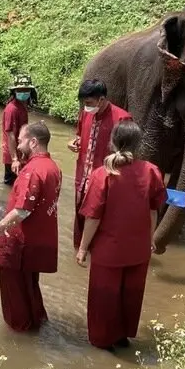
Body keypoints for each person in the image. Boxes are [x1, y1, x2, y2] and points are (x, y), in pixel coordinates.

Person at [75, 120, 167, 351]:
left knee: (104, 298)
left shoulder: (103, 174)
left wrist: (83, 248)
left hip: (109, 251)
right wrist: (151, 240)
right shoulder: (151, 171)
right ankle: (122, 337)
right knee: (130, 295)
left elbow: (93, 217)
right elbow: (153, 211)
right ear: (138, 144)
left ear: (113, 142)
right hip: (138, 250)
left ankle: (102, 342)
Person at [0, 120, 62, 332]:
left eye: (22, 140)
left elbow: (22, 211)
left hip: (20, 246)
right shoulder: (54, 168)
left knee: (14, 297)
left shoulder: (32, 171)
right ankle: (37, 329)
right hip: (38, 243)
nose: (19, 145)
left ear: (33, 142)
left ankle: (20, 338)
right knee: (30, 290)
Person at [68, 79, 132, 251]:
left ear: (102, 100)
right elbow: (80, 136)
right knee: (80, 215)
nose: (86, 107)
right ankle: (80, 251)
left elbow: (127, 155)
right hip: (82, 177)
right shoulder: (85, 113)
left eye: (89, 103)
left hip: (106, 181)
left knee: (101, 219)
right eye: (84, 103)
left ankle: (97, 252)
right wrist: (74, 143)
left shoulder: (122, 119)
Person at [1, 74, 38, 185]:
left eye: (26, 90)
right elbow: (11, 135)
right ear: (15, 91)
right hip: (13, 153)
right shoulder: (12, 109)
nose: (24, 92)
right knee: (11, 184)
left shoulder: (22, 106)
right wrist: (15, 159)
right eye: (20, 90)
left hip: (21, 151)